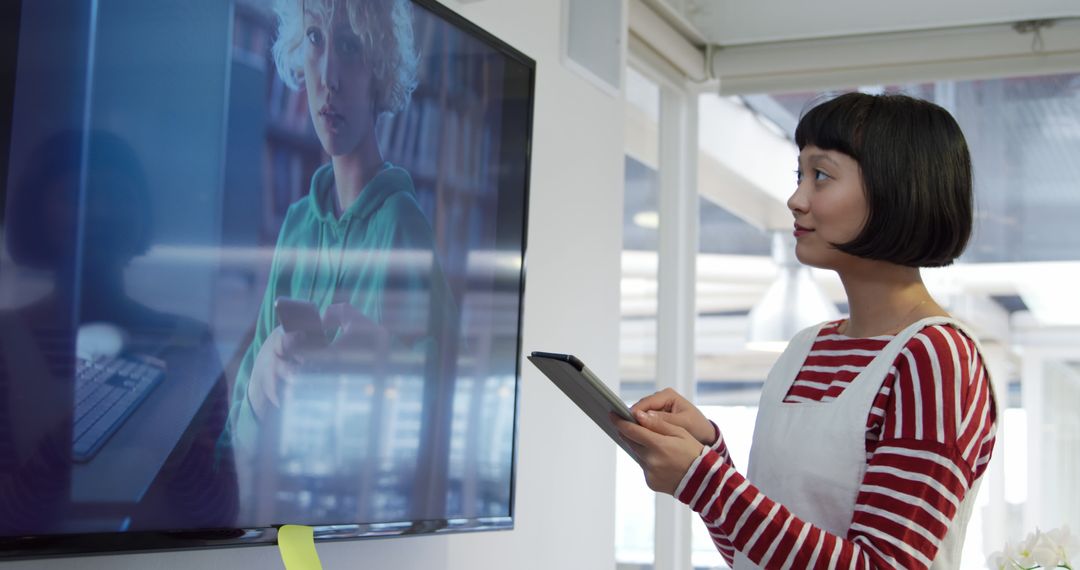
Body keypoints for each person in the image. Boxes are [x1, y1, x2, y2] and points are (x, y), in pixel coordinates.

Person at [614, 93, 997, 569]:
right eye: (800, 176)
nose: (796, 200)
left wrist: (704, 479)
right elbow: (754, 554)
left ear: (896, 189)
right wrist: (710, 454)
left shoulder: (935, 359)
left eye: (822, 175)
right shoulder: (806, 348)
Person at [224, 0, 454, 452]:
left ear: (380, 70)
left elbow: (451, 400)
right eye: (315, 39)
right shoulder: (296, 225)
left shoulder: (402, 226)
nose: (328, 75)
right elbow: (232, 446)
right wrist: (257, 392)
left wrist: (386, 363)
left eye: (350, 46)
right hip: (272, 514)